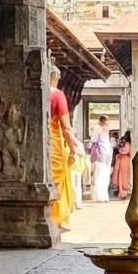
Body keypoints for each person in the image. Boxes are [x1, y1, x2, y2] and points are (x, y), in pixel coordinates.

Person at [47, 69, 82, 231]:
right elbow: (66, 128)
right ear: (54, 77)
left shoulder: (33, 91)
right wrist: (74, 149)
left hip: (36, 140)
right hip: (53, 144)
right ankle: (55, 218)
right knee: (58, 180)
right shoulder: (57, 94)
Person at [88, 114, 113, 203]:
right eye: (105, 122)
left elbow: (93, 141)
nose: (106, 124)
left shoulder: (104, 131)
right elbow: (93, 141)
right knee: (100, 175)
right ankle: (100, 196)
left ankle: (102, 196)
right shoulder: (99, 130)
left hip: (104, 156)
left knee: (102, 175)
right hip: (101, 155)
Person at [111, 130, 133, 199]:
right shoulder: (129, 144)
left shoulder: (121, 143)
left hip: (119, 159)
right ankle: (123, 192)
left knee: (119, 176)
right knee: (124, 176)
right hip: (126, 160)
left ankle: (120, 191)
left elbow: (117, 149)